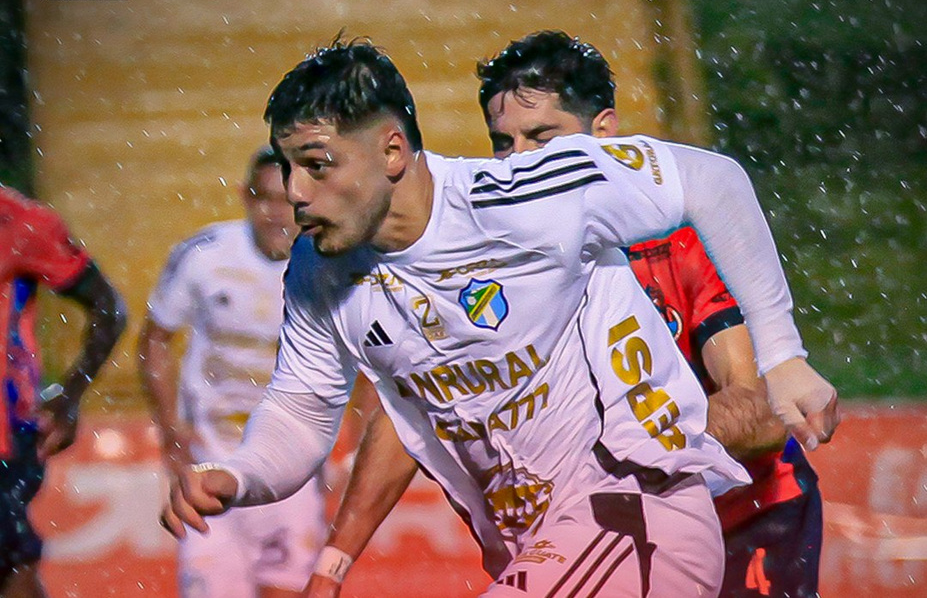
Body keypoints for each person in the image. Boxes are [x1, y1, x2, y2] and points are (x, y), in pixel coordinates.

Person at [162, 39, 839, 597]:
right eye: (287, 167)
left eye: (316, 165)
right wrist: (239, 474)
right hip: (539, 547)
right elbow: (301, 410)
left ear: (392, 152)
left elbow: (714, 180)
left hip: (636, 517)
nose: (294, 192)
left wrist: (782, 356)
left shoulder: (527, 194)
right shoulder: (319, 269)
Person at [138, 148, 328, 598]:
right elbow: (154, 340)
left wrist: (350, 447)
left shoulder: (329, 264)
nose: (276, 214)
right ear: (245, 197)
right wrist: (171, 431)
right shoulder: (204, 255)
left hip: (290, 466)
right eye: (265, 199)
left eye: (287, 201)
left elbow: (367, 358)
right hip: (211, 461)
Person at [1, 185, 126, 598]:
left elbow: (108, 307)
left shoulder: (20, 222)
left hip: (6, 438)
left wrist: (70, 395)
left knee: (12, 568)